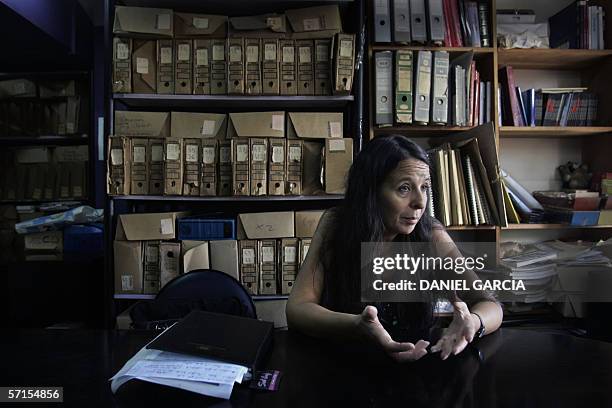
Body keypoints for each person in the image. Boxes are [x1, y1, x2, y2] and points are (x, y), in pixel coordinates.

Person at [286, 135, 503, 362]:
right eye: (404, 189)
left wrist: (474, 322)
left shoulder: (431, 235)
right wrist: (357, 325)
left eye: (425, 187)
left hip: (416, 369)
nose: (420, 202)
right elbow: (298, 308)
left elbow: (490, 305)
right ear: (371, 192)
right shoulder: (336, 225)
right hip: (343, 367)